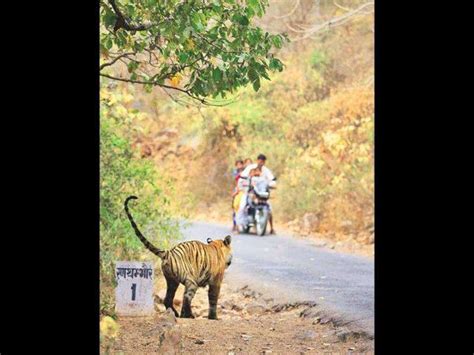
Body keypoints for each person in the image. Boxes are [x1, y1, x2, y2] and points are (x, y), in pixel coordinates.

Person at [236, 154, 276, 234]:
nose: (261, 163)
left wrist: (272, 184)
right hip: (249, 192)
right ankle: (238, 227)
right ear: (257, 160)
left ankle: (271, 228)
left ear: (264, 162)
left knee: (269, 209)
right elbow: (243, 177)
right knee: (242, 207)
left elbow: (272, 180)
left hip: (261, 194)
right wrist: (243, 184)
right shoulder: (251, 168)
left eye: (263, 161)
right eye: (260, 161)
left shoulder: (265, 171)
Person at [231, 160, 244, 232]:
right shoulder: (235, 172)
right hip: (237, 189)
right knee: (235, 206)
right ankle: (235, 224)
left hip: (243, 190)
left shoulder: (246, 172)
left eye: (240, 164)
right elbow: (235, 181)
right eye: (238, 165)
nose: (239, 166)